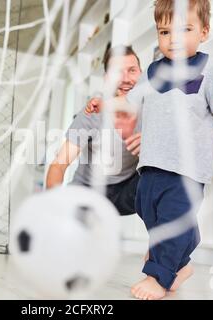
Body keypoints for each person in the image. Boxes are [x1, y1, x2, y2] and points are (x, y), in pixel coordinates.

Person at [85, 0, 213, 300]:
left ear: (204, 31)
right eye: (165, 31)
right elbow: (130, 103)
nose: (174, 39)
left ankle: (158, 276)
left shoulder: (210, 70)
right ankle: (180, 262)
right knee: (150, 212)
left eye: (185, 29)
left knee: (171, 220)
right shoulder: (153, 72)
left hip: (186, 169)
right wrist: (105, 102)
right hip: (151, 165)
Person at [46, 45, 143, 216]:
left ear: (141, 74)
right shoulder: (92, 113)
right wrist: (52, 202)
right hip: (89, 189)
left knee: (161, 171)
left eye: (132, 70)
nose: (126, 79)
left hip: (128, 188)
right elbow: (58, 165)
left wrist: (151, 142)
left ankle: (166, 238)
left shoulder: (152, 106)